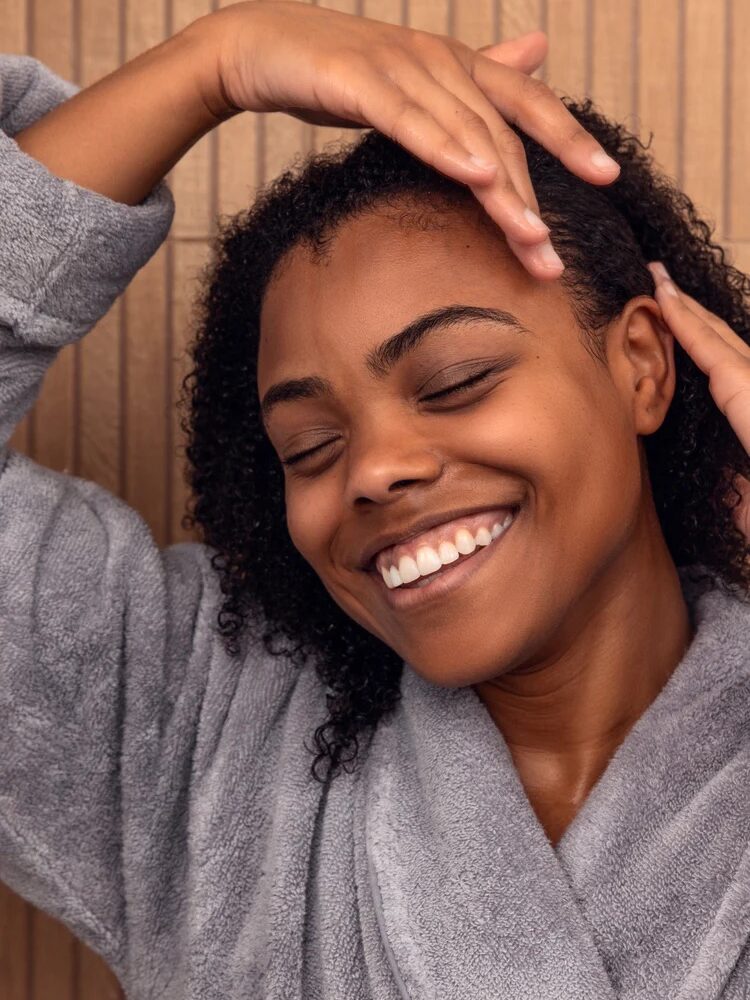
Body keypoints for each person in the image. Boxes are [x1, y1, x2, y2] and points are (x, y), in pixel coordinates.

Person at [1, 3, 748, 998]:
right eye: (309, 446)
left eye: (453, 381)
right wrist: (212, 64)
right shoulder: (196, 741)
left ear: (644, 367)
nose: (374, 469)